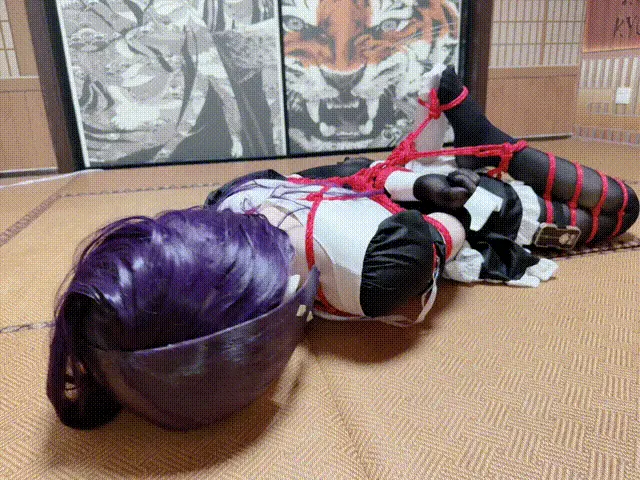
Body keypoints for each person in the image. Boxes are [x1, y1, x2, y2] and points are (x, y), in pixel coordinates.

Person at [47, 66, 638, 430]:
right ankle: (492, 147)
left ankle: (483, 145)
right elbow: (451, 225)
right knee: (617, 209)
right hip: (457, 220)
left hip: (387, 189)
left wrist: (412, 182)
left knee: (461, 181)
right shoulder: (371, 273)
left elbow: (326, 177)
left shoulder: (231, 197)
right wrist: (436, 194)